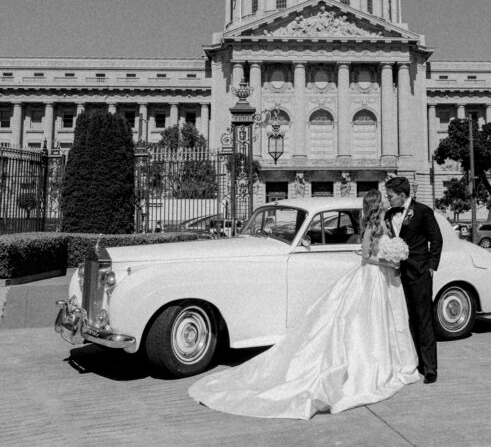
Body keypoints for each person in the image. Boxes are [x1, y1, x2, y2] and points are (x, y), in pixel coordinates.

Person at [187, 190, 421, 420]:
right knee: (352, 323)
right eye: (380, 204)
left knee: (379, 322)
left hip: (381, 277)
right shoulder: (371, 229)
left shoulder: (385, 226)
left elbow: (378, 249)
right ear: (375, 207)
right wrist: (387, 261)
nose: (383, 206)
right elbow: (366, 256)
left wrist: (392, 259)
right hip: (373, 274)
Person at [383, 175, 443, 384]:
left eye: (390, 196)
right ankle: (415, 361)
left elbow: (436, 239)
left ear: (402, 195)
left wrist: (431, 267)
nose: (388, 199)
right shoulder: (389, 214)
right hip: (398, 274)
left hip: (419, 272)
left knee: (423, 319)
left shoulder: (423, 212)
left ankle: (430, 368)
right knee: (407, 318)